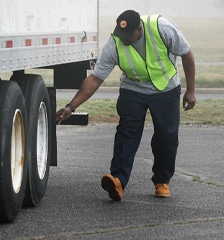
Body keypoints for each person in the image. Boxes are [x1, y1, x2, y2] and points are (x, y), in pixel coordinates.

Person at [56, 10, 196, 201]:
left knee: (167, 136)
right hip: (133, 89)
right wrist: (71, 107)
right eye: (120, 35)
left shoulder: (162, 28)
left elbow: (187, 54)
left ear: (139, 29)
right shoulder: (114, 42)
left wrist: (191, 91)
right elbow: (95, 79)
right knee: (127, 132)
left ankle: (162, 181)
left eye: (127, 36)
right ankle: (118, 180)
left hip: (165, 88)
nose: (123, 39)